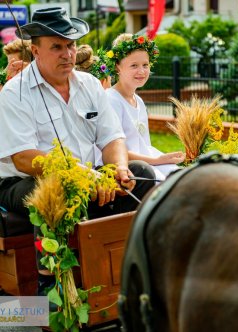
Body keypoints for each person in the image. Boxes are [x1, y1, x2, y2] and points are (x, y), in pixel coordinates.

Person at [0, 8, 155, 294]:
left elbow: (112, 138)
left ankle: (115, 274)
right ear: (35, 50)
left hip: (84, 177)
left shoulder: (89, 84)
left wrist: (117, 169)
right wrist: (83, 175)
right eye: (56, 46)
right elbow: (24, 159)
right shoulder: (14, 93)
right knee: (57, 187)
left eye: (70, 45)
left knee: (141, 174)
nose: (67, 53)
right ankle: (51, 291)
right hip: (21, 183)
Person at [106, 33, 185, 181]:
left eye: (145, 65)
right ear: (118, 66)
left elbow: (144, 145)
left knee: (182, 178)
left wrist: (162, 159)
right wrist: (158, 160)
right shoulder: (111, 100)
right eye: (134, 65)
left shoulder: (139, 102)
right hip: (130, 168)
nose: (141, 71)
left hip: (148, 161)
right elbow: (113, 151)